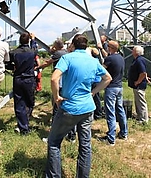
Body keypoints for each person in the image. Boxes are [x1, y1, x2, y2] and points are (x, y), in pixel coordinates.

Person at [45, 34, 112, 178]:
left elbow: (54, 78)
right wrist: (93, 92)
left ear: (73, 45)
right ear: (86, 46)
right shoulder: (93, 61)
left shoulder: (67, 58)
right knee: (85, 146)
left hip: (69, 107)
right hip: (87, 108)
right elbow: (108, 78)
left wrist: (57, 97)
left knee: (54, 142)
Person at [97, 40, 128, 146]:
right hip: (119, 87)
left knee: (110, 112)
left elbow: (101, 69)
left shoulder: (109, 59)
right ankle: (124, 133)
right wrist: (101, 49)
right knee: (120, 110)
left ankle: (111, 138)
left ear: (110, 48)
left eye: (108, 47)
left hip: (110, 88)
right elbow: (109, 57)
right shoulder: (121, 58)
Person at [9, 32, 37, 135]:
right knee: (30, 102)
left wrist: (13, 68)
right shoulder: (32, 51)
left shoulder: (14, 52)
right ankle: (25, 121)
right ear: (28, 41)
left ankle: (23, 126)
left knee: (19, 103)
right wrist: (33, 39)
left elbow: (7, 63)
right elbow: (35, 48)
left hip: (18, 79)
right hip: (29, 79)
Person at [128, 45, 149, 124]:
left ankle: (144, 119)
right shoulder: (137, 59)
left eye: (133, 50)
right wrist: (146, 77)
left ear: (136, 52)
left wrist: (138, 81)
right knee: (138, 101)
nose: (131, 51)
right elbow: (144, 72)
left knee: (141, 102)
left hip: (139, 85)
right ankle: (139, 116)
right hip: (137, 85)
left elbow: (143, 72)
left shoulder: (139, 60)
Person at [90, 48, 105, 119]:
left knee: (95, 98)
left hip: (94, 81)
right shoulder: (97, 60)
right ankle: (98, 113)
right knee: (97, 97)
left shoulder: (92, 61)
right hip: (98, 80)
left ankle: (97, 113)